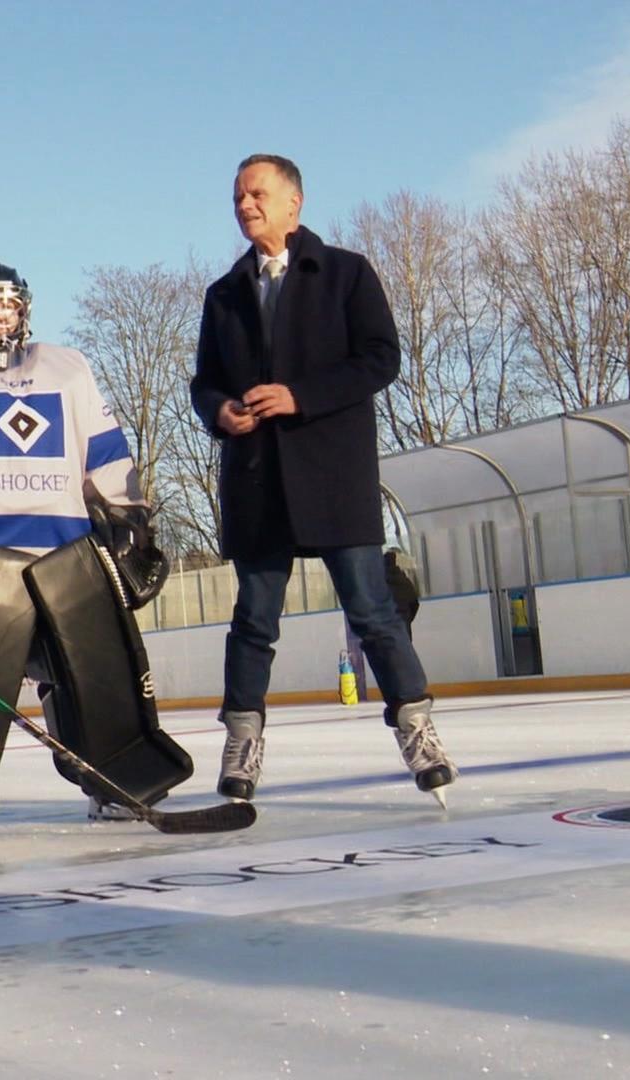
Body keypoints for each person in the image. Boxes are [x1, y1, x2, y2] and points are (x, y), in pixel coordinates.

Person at [190, 153, 457, 806]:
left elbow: (381, 358)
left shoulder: (345, 274)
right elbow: (204, 382)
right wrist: (220, 411)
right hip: (256, 482)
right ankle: (242, 743)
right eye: (237, 198)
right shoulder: (224, 294)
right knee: (254, 619)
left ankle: (417, 729)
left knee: (372, 611)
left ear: (292, 203)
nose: (245, 206)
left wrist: (300, 396)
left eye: (256, 194)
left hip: (335, 478)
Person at [0, 260, 183, 833]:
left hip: (65, 553)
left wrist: (130, 516)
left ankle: (113, 780)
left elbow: (103, 452)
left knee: (89, 681)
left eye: (8, 304)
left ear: (24, 309)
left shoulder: (68, 366)